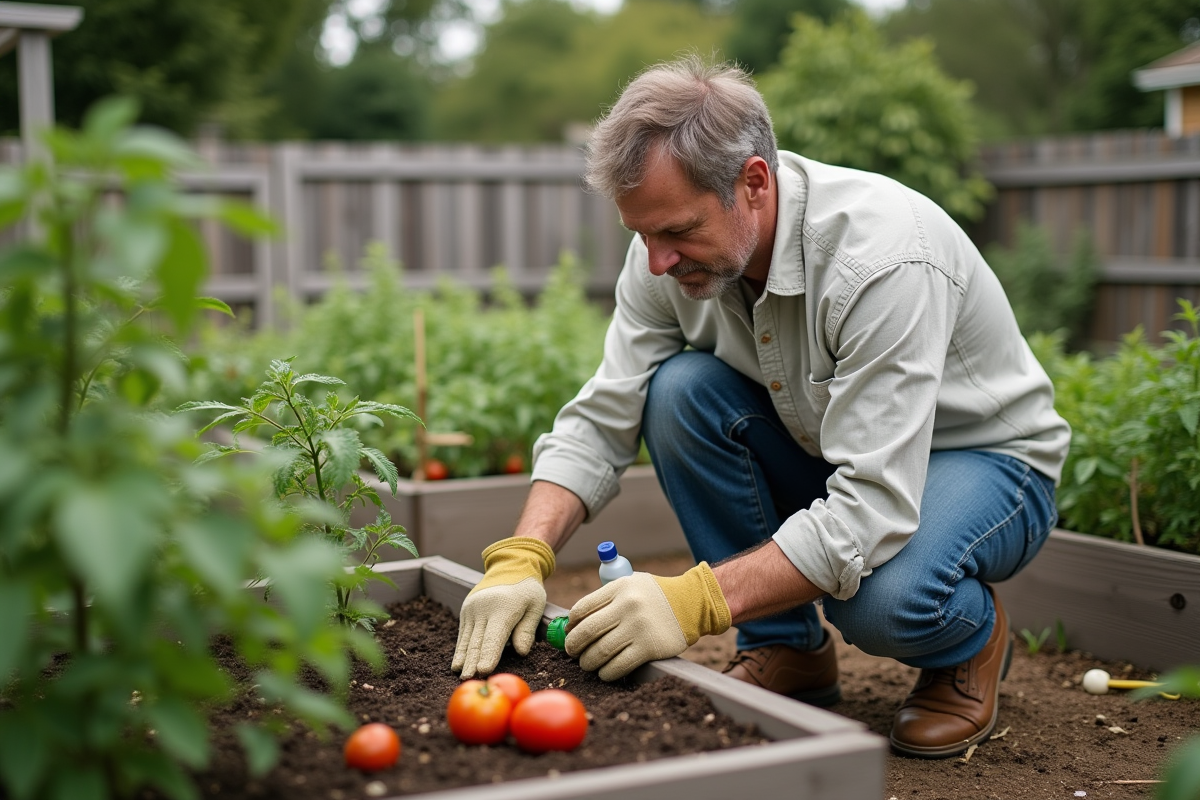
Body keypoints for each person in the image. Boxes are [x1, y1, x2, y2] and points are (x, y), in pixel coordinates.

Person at [451, 55, 1069, 759]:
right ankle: (788, 651)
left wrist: (693, 601)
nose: (655, 260)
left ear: (753, 182)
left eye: (677, 232)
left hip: (986, 461)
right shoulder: (663, 252)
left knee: (882, 600)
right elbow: (603, 416)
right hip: (837, 451)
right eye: (641, 234)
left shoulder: (883, 259)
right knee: (679, 391)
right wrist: (520, 557)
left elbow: (871, 506)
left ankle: (970, 642)